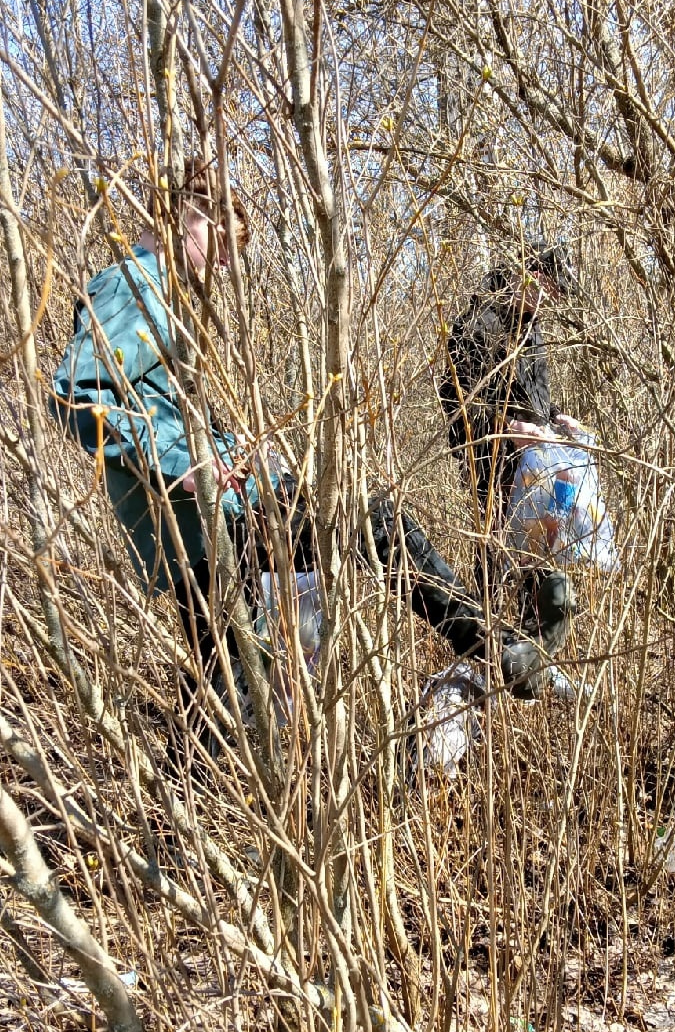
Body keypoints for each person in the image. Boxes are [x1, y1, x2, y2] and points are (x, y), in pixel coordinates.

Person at [50, 164, 570, 751]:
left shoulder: (154, 294)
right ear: (189, 215)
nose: (225, 265)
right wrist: (186, 464)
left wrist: (227, 447)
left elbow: (151, 404)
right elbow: (76, 394)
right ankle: (497, 648)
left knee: (230, 691)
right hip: (206, 517)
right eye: (222, 244)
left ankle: (189, 802)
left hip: (198, 526)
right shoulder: (136, 286)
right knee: (373, 523)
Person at [441, 236, 582, 655]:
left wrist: (556, 417)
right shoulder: (478, 323)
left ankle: (532, 652)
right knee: (495, 555)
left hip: (534, 464)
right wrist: (507, 428)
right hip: (493, 464)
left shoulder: (529, 327)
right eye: (547, 290)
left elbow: (532, 393)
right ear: (530, 275)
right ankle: (483, 649)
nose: (548, 301)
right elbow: (456, 399)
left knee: (538, 554)